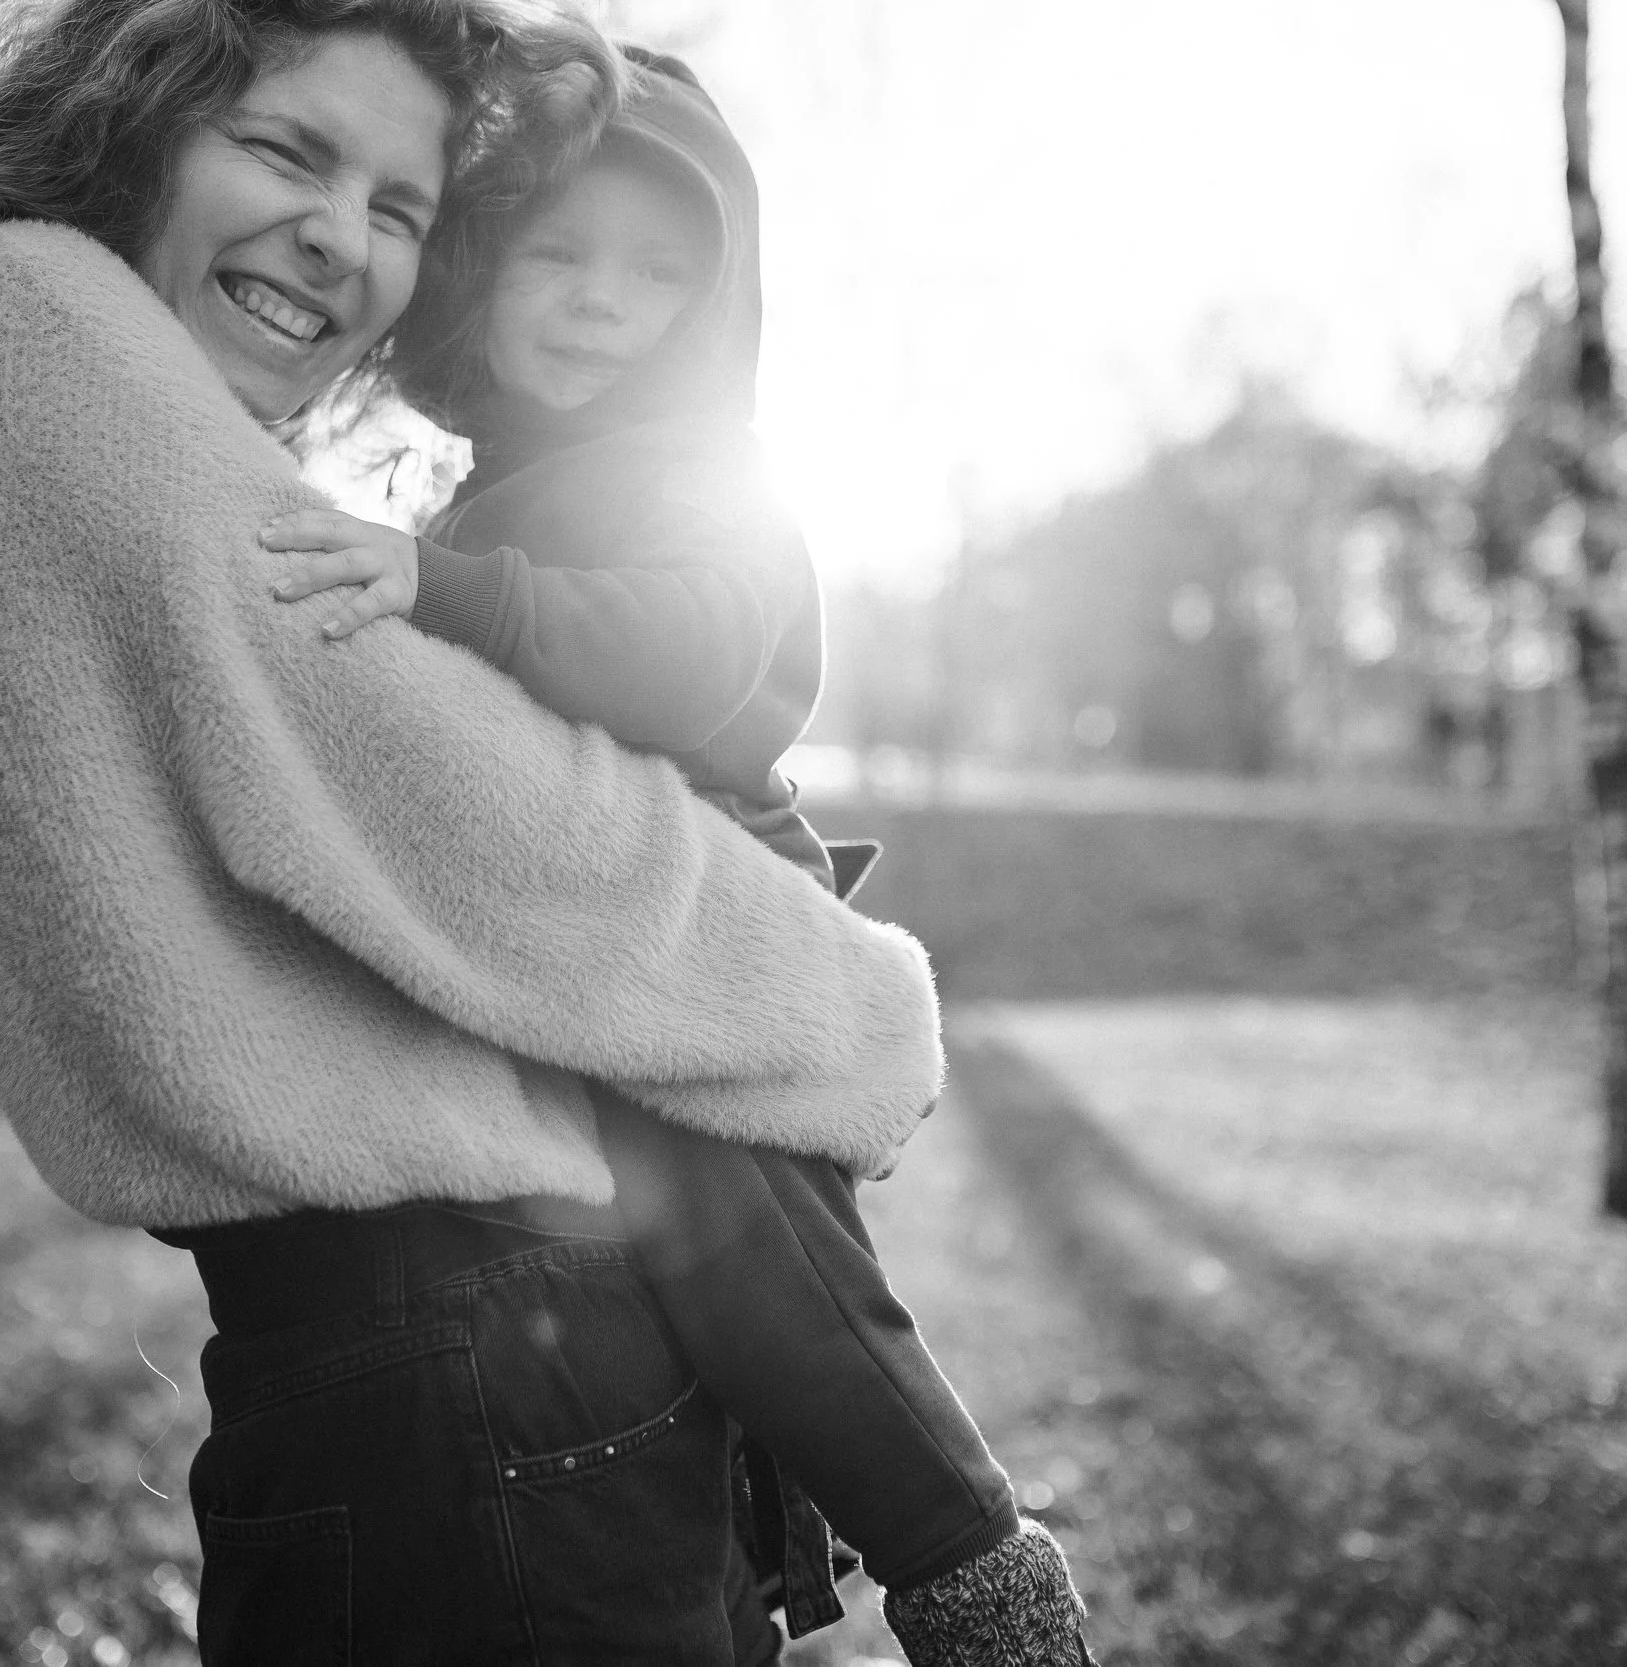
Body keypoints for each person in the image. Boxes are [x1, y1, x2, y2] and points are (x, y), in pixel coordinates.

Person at [0, 1, 1079, 1661]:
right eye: (286, 150)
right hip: (473, 1379)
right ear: (133, 115)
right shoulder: (30, 324)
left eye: (401, 210)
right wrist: (858, 1003)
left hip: (419, 1368)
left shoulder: (0, 366)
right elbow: (510, 842)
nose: (342, 239)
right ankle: (969, 1550)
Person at [256, 49, 1092, 1660]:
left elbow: (689, 655)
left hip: (715, 914)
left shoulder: (713, 491)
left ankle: (972, 1560)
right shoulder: (487, 489)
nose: (594, 301)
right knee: (664, 1283)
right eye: (555, 255)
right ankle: (773, 1559)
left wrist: (456, 598)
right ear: (481, 269)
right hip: (580, 927)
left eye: (653, 274)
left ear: (713, 310)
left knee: (756, 1249)